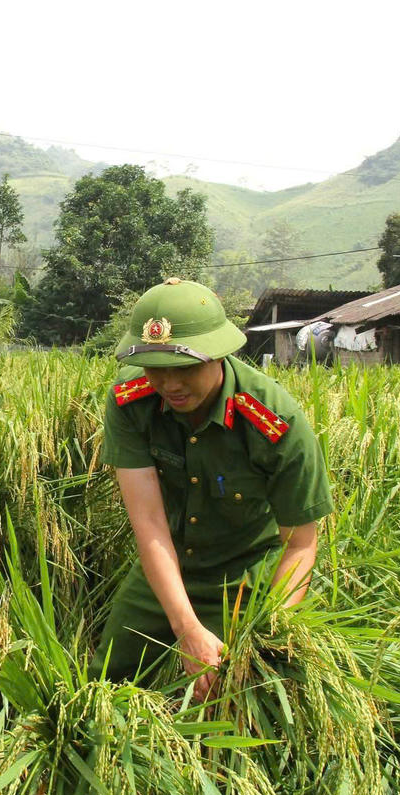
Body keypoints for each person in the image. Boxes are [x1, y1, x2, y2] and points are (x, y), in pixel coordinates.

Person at [92, 278, 334, 701]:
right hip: (165, 563)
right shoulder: (130, 400)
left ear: (220, 355)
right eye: (156, 369)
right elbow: (148, 523)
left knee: (236, 694)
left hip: (246, 574)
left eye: (186, 367)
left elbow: (300, 544)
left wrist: (265, 634)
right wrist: (186, 629)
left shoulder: (275, 422)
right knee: (106, 683)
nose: (170, 385)